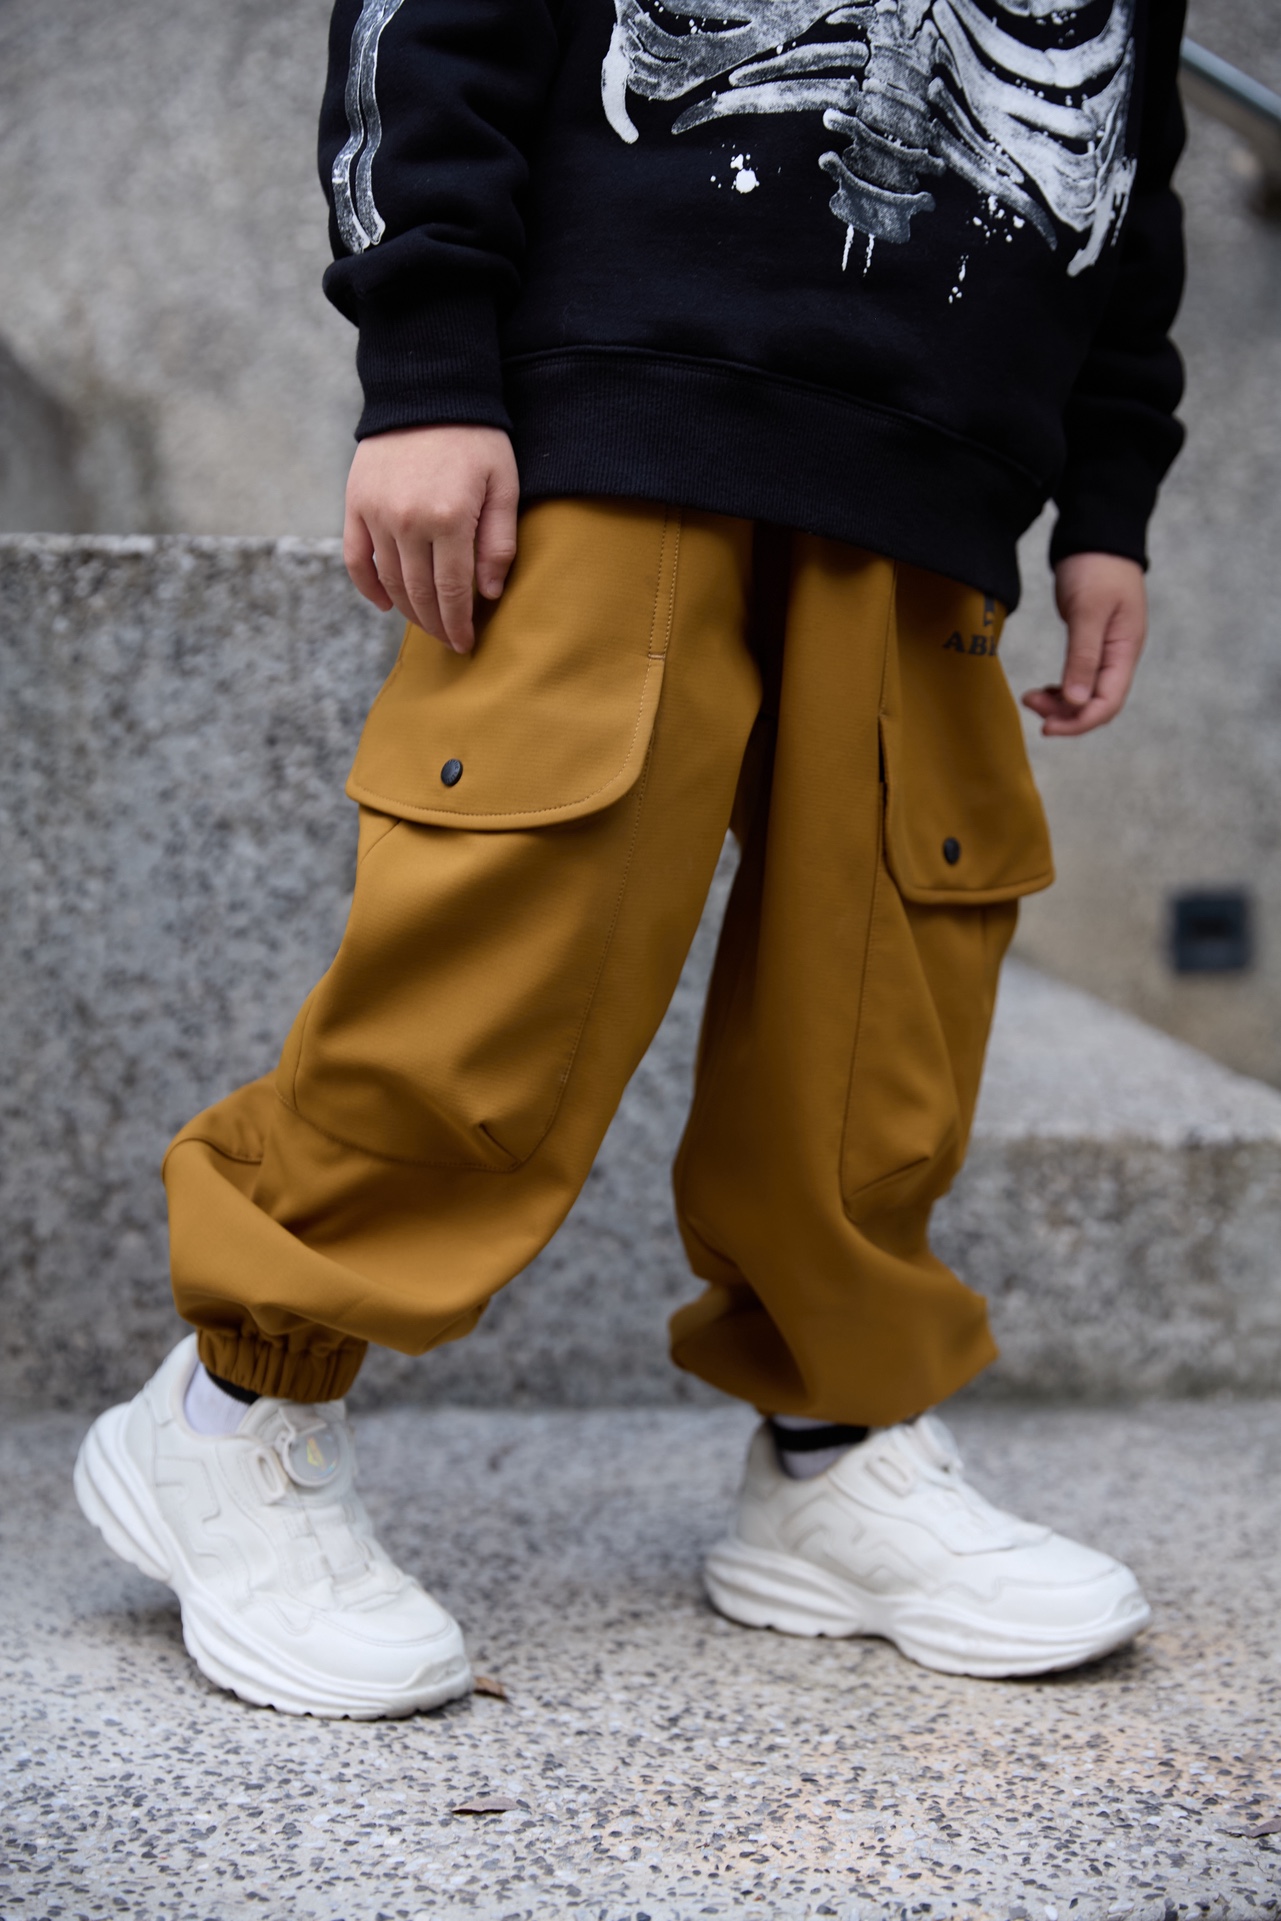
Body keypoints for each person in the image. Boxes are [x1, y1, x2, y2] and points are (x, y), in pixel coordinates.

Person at [74, 0, 1187, 1718]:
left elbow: (1130, 140)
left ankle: (832, 1450)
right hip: (622, 386)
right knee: (509, 937)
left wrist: (1109, 495)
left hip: (944, 463)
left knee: (885, 1002)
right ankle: (232, 1410)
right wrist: (427, 358)